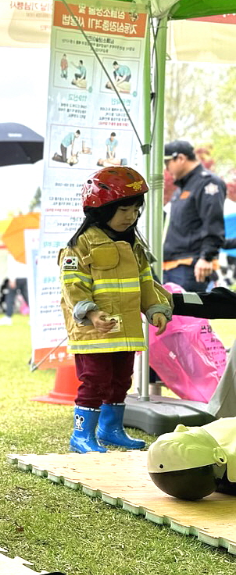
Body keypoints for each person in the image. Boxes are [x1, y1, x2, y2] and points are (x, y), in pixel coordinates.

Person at [59, 167, 172, 454]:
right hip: (93, 332)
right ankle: (81, 435)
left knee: (122, 379)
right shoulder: (80, 245)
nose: (131, 216)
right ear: (100, 208)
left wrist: (156, 307)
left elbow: (146, 282)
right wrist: (92, 313)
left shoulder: (135, 245)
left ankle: (110, 429)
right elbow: (72, 286)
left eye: (135, 209)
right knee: (94, 380)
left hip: (126, 330)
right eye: (124, 209)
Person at [162, 139, 226, 294]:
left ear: (181, 159)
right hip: (170, 267)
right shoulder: (181, 189)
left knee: (189, 317)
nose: (166, 168)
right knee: (171, 318)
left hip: (190, 267)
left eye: (167, 162)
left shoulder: (208, 183)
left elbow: (213, 223)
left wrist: (206, 258)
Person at [0, 253, 29, 325]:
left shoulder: (13, 252)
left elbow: (12, 265)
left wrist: (11, 278)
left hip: (16, 277)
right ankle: (34, 317)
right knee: (28, 298)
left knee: (10, 298)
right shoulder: (25, 251)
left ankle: (8, 317)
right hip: (25, 276)